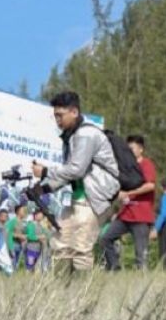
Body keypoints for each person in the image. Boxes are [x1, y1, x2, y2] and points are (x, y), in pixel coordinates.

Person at [31, 92, 120, 272]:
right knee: (59, 243)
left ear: (74, 111)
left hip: (95, 197)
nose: (57, 120)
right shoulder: (70, 136)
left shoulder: (86, 134)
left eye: (60, 115)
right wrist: (45, 188)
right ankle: (62, 291)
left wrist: (46, 172)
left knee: (81, 247)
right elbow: (68, 174)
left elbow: (76, 169)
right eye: (55, 115)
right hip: (78, 199)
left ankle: (82, 294)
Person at [101, 135, 157, 271]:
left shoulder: (146, 164)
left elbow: (150, 186)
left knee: (140, 252)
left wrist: (131, 193)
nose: (129, 152)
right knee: (105, 238)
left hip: (141, 216)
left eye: (131, 148)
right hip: (125, 214)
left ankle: (142, 277)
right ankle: (114, 266)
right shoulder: (125, 167)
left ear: (141, 149)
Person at [7, 204, 29, 269]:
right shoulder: (12, 222)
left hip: (20, 246)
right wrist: (19, 236)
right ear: (18, 212)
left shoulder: (24, 223)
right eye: (23, 210)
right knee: (12, 264)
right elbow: (8, 234)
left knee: (16, 265)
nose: (24, 212)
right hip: (13, 245)